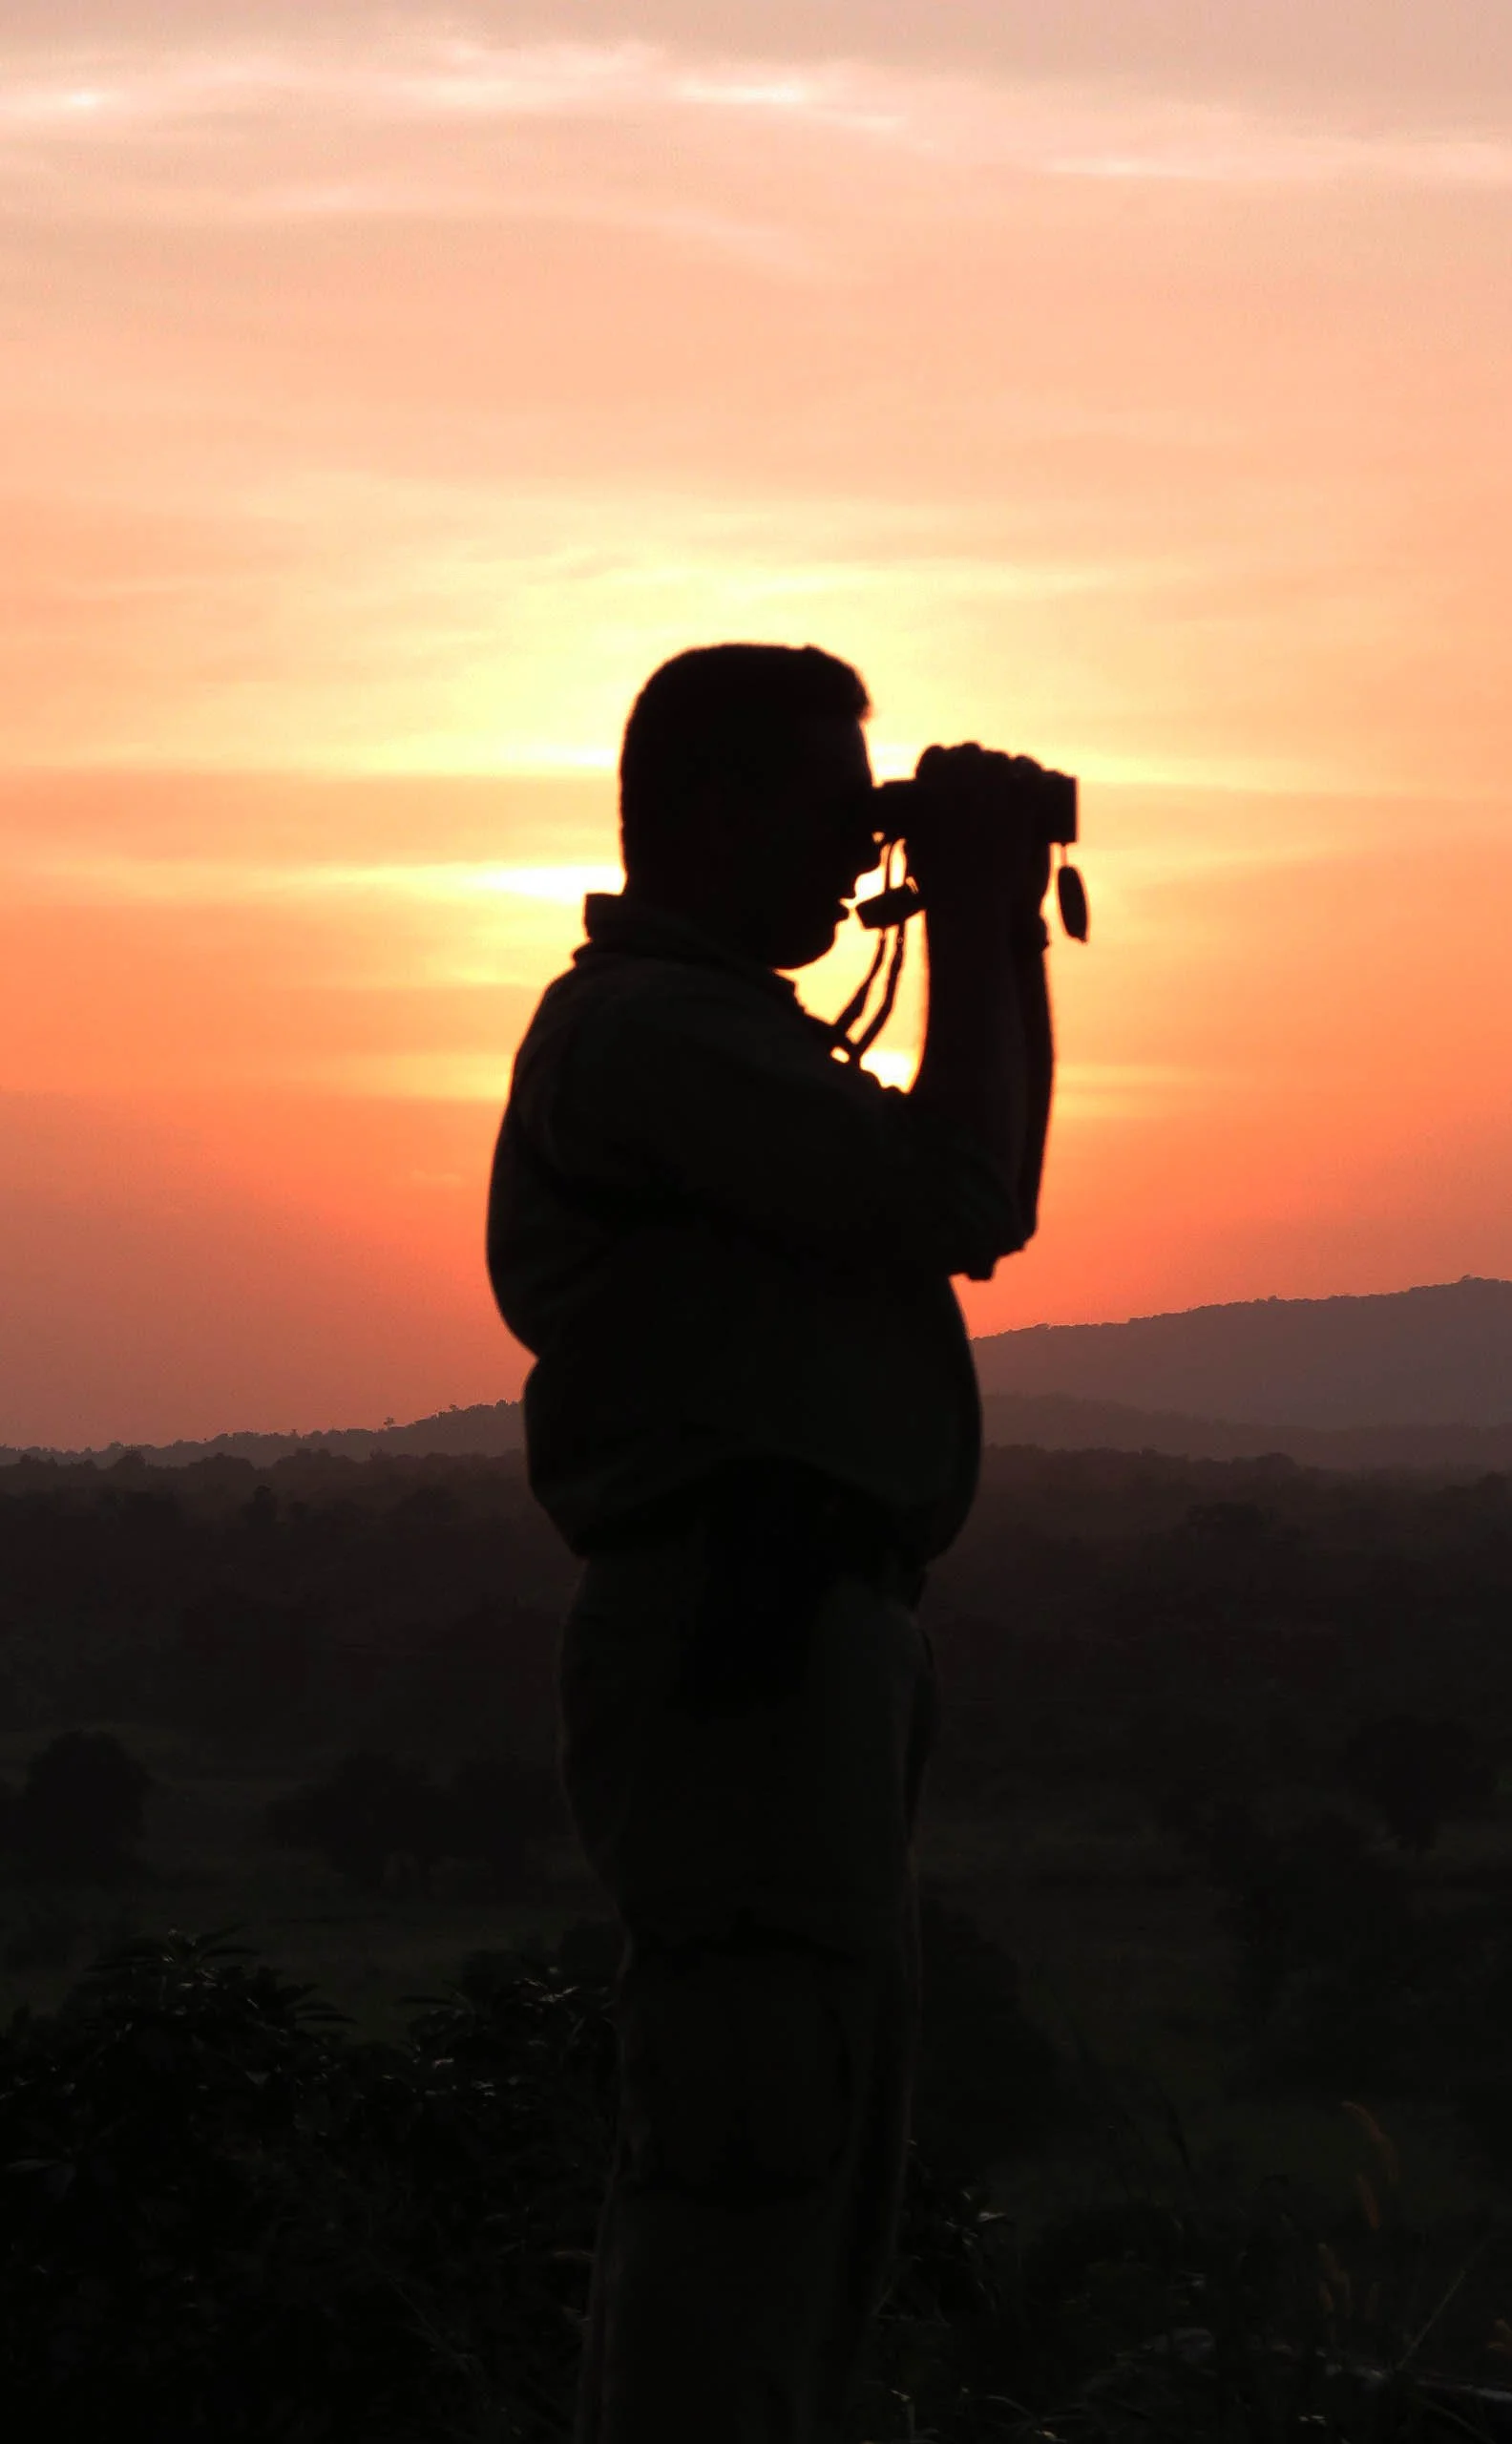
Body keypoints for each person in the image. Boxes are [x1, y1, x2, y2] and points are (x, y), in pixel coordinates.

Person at [486, 643, 1055, 2443]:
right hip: (746, 1651)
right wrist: (983, 917)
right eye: (830, 808)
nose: (850, 850)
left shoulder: (709, 1034)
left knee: (814, 2177)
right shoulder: (656, 1034)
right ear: (710, 811)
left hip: (794, 1650)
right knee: (748, 2152)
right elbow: (969, 1196)